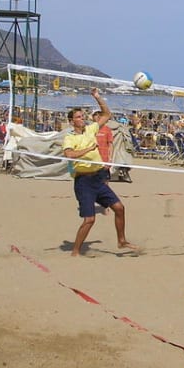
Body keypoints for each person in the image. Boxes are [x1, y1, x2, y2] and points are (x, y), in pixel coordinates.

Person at [62, 89, 137, 257]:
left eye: (83, 116)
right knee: (89, 220)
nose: (82, 119)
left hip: (98, 178)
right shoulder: (70, 138)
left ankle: (121, 241)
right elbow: (69, 154)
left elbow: (107, 114)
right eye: (79, 117)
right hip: (83, 182)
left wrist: (97, 97)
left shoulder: (91, 129)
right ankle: (75, 251)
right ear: (71, 121)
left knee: (119, 208)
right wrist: (88, 148)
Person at [91, 110, 114, 181]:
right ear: (93, 117)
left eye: (100, 115)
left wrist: (110, 160)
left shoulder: (107, 129)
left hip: (104, 160)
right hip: (92, 161)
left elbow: (110, 145)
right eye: (96, 115)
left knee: (105, 182)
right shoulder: (89, 129)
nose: (98, 116)